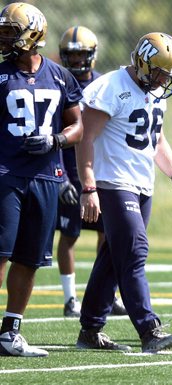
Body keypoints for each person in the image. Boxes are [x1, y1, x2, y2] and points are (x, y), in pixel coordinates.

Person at [76, 32, 172, 353]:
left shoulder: (156, 91)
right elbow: (85, 138)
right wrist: (88, 186)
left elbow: (155, 139)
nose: (162, 80)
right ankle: (148, 328)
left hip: (142, 184)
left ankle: (90, 329)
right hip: (112, 182)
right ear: (142, 62)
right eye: (158, 72)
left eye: (168, 75)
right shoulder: (111, 87)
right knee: (134, 253)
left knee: (113, 260)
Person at [0, 2, 83, 357]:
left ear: (32, 34)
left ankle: (9, 332)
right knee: (0, 252)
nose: (4, 37)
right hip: (6, 174)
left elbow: (78, 126)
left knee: (29, 259)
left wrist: (56, 140)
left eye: (9, 31)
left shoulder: (60, 75)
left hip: (47, 177)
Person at [57, 25, 127, 318]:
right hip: (69, 173)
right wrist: (60, 176)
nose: (76, 62)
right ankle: (70, 298)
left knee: (107, 236)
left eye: (81, 55)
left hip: (102, 171)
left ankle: (107, 296)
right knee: (69, 235)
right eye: (71, 56)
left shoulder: (105, 84)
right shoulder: (57, 81)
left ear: (93, 55)